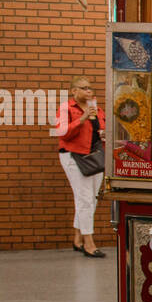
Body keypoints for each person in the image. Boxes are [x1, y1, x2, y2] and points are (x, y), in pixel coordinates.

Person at [54, 74, 107, 257]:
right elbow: (62, 132)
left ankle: (77, 237)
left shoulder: (97, 109)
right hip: (74, 156)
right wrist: (82, 118)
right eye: (83, 88)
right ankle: (89, 243)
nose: (88, 90)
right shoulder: (66, 108)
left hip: (94, 156)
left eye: (89, 87)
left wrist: (104, 134)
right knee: (84, 199)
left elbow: (102, 129)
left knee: (91, 198)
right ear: (73, 91)